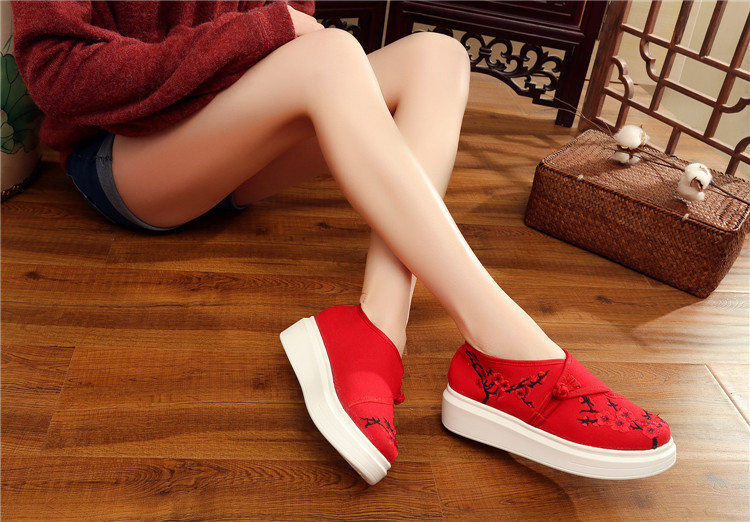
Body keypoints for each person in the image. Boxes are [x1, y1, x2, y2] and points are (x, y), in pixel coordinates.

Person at [11, 0, 675, 485]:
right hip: (127, 162)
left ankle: (378, 329)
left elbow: (285, 44)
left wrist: (269, 43)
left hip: (230, 145)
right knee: (328, 55)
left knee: (437, 57)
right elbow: (59, 75)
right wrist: (262, 32)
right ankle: (507, 345)